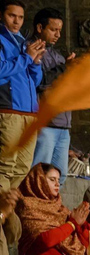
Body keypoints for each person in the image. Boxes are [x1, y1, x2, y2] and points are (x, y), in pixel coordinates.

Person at [0, 0, 44, 190]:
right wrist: (26, 57)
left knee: (23, 167)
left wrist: (35, 63)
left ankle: (5, 209)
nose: (17, 21)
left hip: (29, 113)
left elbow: (35, 82)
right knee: (5, 166)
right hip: (9, 109)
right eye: (12, 16)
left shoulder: (23, 42)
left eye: (20, 17)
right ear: (1, 16)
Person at [30, 8, 73, 184]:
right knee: (39, 174)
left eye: (60, 30)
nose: (58, 35)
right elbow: (40, 82)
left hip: (63, 124)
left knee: (59, 177)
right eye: (53, 29)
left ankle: (52, 211)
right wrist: (65, 69)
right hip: (46, 123)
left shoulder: (57, 55)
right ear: (40, 27)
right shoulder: (31, 49)